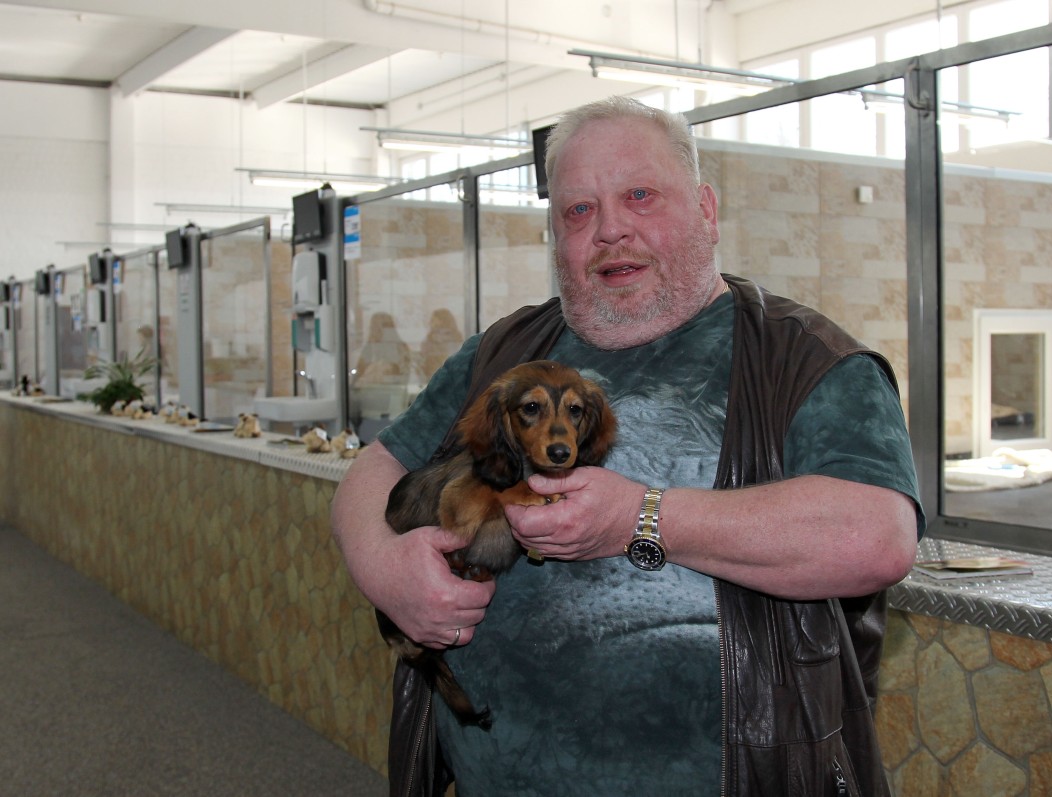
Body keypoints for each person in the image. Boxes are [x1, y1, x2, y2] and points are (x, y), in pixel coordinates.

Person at [331, 95, 923, 797]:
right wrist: (384, 566)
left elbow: (877, 537)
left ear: (705, 210)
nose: (611, 230)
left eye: (640, 196)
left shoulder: (807, 361)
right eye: (578, 211)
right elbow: (375, 469)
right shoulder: (500, 353)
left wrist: (638, 519)